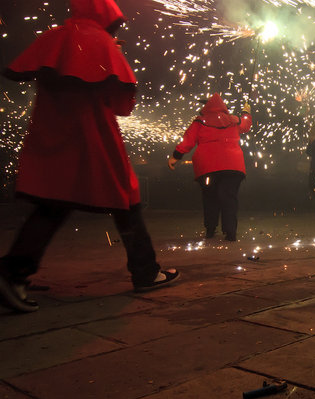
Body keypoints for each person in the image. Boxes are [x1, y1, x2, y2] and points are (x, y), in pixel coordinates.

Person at [0, 0, 179, 313]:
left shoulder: (53, 38)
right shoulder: (102, 43)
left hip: (51, 135)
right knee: (126, 199)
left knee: (51, 205)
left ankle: (13, 272)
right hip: (93, 137)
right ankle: (146, 271)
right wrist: (110, 54)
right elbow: (122, 104)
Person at [169, 94, 252, 241]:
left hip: (208, 167)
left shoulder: (200, 121)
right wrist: (246, 113)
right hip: (233, 167)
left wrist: (176, 156)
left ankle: (210, 229)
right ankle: (230, 232)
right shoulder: (233, 120)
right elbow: (245, 126)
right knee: (229, 198)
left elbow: (188, 140)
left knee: (210, 198)